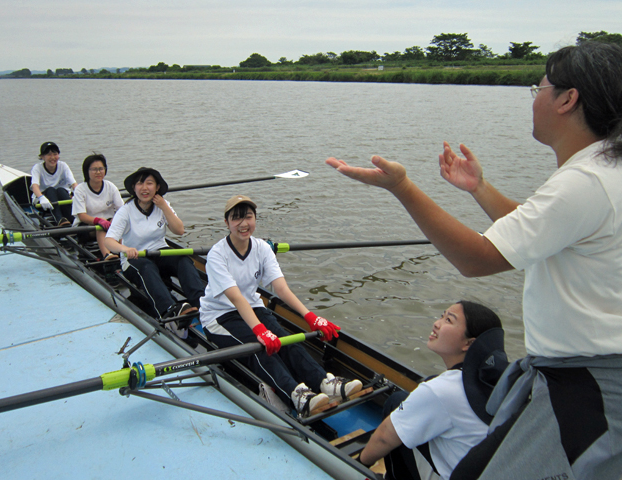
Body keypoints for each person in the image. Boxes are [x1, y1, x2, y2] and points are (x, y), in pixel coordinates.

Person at [327, 41, 622, 479]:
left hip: (587, 383)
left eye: (538, 87)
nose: (534, 97)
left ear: (568, 98)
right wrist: (478, 188)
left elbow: (477, 258)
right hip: (583, 376)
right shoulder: (604, 171)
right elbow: (538, 233)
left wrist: (402, 188)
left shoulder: (583, 180)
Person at [199, 195, 363, 417]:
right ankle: (297, 395)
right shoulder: (217, 254)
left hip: (253, 308)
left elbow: (282, 289)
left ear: (255, 219)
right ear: (226, 223)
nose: (243, 224)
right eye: (236, 219)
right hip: (220, 316)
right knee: (260, 349)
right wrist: (259, 331)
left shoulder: (262, 249)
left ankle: (325, 382)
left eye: (248, 217)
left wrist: (311, 317)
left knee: (285, 339)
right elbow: (236, 298)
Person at [358, 301, 507, 480]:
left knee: (395, 404)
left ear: (469, 343)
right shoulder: (496, 382)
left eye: (449, 320)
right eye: (442, 316)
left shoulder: (443, 389)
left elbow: (384, 437)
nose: (437, 323)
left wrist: (358, 466)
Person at [104, 167, 205, 325]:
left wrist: (164, 207)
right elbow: (109, 240)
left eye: (149, 183)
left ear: (157, 188)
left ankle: (201, 302)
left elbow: (179, 230)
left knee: (182, 258)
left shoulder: (162, 206)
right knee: (146, 267)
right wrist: (125, 250)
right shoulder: (125, 211)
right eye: (140, 184)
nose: (144, 188)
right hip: (135, 258)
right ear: (133, 188)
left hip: (159, 252)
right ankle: (170, 308)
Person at [72, 153, 124, 261]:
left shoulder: (111, 186)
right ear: (87, 171)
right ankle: (107, 255)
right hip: (87, 227)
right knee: (101, 226)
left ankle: (124, 251)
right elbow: (82, 216)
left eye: (101, 169)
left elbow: (122, 209)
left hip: (108, 223)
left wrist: (115, 220)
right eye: (94, 169)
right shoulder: (80, 189)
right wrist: (99, 220)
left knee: (121, 223)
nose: (98, 172)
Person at [30, 141, 78, 226]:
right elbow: (34, 186)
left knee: (60, 190)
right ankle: (60, 220)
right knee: (51, 190)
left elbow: (74, 184)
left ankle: (72, 219)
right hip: (43, 202)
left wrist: (78, 195)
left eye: (55, 154)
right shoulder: (37, 168)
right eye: (49, 154)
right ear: (42, 157)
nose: (52, 157)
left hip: (61, 197)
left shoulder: (63, 166)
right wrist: (41, 197)